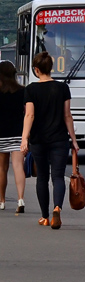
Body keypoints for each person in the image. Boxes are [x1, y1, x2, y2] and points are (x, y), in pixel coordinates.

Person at [20, 51, 79, 230]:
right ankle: (57, 208)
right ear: (51, 68)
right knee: (58, 176)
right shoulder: (62, 88)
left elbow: (29, 115)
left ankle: (45, 216)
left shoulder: (30, 89)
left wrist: (24, 139)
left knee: (42, 178)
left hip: (39, 140)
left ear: (36, 70)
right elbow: (67, 115)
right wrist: (74, 139)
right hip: (59, 139)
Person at [0, 60, 27, 213]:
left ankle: (2, 201)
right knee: (18, 166)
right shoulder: (22, 91)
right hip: (18, 133)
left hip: (1, 134)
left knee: (2, 168)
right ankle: (20, 199)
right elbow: (27, 113)